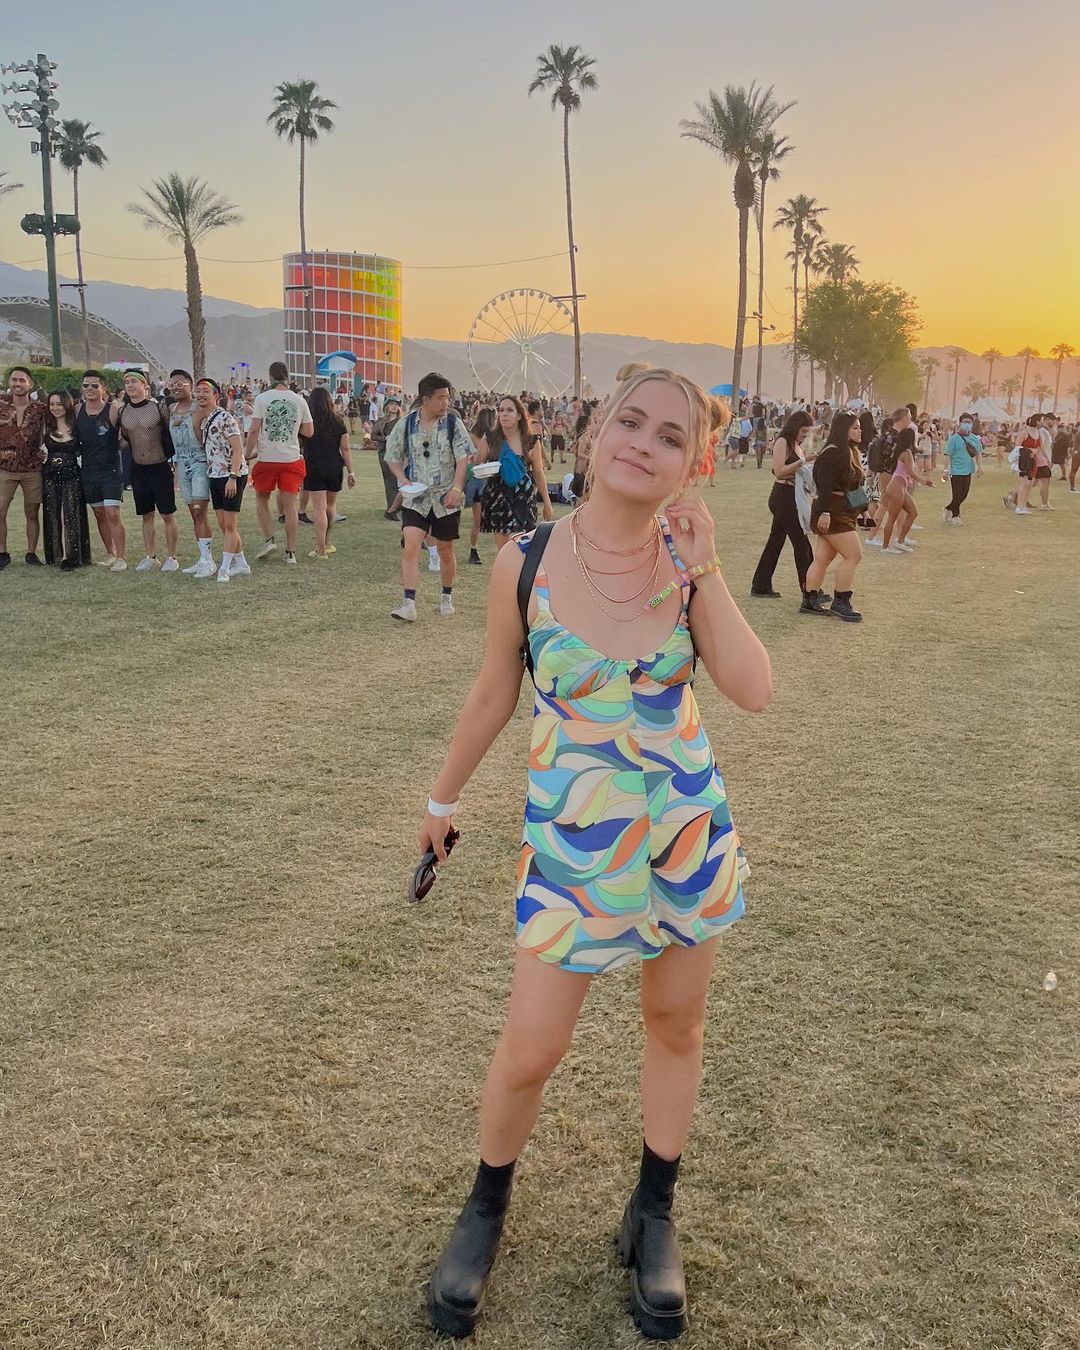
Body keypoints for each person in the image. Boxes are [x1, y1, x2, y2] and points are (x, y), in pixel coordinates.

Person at [420, 363, 771, 1341]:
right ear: (593, 432)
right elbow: (494, 691)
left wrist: (707, 569)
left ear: (694, 463)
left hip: (683, 833)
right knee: (532, 1047)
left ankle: (652, 1211)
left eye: (671, 436)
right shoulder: (525, 561)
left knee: (675, 1026)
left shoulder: (686, 565)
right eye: (631, 422)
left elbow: (753, 688)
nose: (644, 444)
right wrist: (441, 798)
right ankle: (486, 1206)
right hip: (574, 843)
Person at [384, 372, 471, 621]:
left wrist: (457, 488)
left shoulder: (453, 423)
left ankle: (446, 596)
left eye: (447, 397)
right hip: (417, 497)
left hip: (446, 498)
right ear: (426, 399)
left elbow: (463, 458)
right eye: (441, 398)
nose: (446, 403)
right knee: (411, 545)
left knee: (445, 549)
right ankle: (408, 603)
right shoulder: (406, 424)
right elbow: (392, 456)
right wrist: (403, 479)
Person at [800, 410, 867, 622]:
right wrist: (825, 512)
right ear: (843, 429)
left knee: (823, 558)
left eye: (859, 427)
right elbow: (825, 486)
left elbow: (854, 485)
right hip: (832, 511)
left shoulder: (849, 451)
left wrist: (863, 508)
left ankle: (810, 600)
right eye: (855, 428)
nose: (860, 431)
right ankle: (840, 602)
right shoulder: (833, 453)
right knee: (854, 555)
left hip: (842, 510)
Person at [247, 361, 313, 565]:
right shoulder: (299, 400)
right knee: (290, 504)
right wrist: (292, 427)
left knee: (261, 499)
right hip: (291, 459)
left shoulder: (262, 398)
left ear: (270, 377)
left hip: (267, 458)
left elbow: (254, 429)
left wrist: (248, 453)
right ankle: (290, 552)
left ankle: (269, 539)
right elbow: (309, 431)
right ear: (287, 376)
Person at [116, 369, 180, 572]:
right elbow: (124, 440)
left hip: (160, 467)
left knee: (167, 514)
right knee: (146, 515)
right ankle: (150, 556)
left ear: (144, 385)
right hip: (138, 469)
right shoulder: (123, 412)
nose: (130, 385)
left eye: (134, 381)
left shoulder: (159, 408)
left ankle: (172, 557)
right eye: (127, 382)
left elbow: (172, 432)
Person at [750, 410, 816, 599]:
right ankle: (810, 588)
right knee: (801, 542)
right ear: (795, 427)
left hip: (791, 495)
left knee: (776, 541)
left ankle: (761, 585)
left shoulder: (795, 445)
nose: (805, 435)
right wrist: (803, 461)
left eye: (807, 432)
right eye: (803, 431)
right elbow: (778, 470)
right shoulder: (782, 442)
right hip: (783, 496)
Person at [478, 396, 554, 550]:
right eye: (501, 410)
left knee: (521, 546)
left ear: (519, 415)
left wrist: (547, 502)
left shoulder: (531, 441)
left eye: (509, 410)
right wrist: (477, 465)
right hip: (498, 496)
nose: (504, 414)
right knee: (503, 548)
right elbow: (478, 465)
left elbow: (538, 473)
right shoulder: (490, 439)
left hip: (523, 497)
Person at [193, 378, 250, 583]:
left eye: (205, 391)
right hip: (214, 474)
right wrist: (196, 418)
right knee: (223, 524)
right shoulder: (205, 419)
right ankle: (241, 563)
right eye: (198, 391)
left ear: (216, 395)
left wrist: (233, 477)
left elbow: (238, 449)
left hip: (231, 475)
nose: (200, 395)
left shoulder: (226, 417)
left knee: (230, 524)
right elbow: (200, 441)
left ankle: (225, 568)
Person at [76, 370, 127, 570]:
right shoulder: (77, 410)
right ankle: (110, 553)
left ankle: (121, 557)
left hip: (111, 470)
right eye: (86, 385)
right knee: (99, 513)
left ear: (103, 388)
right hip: (89, 470)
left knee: (112, 513)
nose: (89, 389)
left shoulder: (113, 409)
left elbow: (126, 435)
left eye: (94, 385)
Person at [168, 369, 216, 577]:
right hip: (181, 463)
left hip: (199, 462)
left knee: (199, 511)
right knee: (192, 512)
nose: (176, 387)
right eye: (172, 384)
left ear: (190, 385)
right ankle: (203, 557)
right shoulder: (171, 409)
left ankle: (209, 561)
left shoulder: (201, 407)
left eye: (180, 384)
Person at [0, 365, 47, 568]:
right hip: (5, 468)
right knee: (0, 511)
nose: (17, 384)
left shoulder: (40, 409)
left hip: (32, 469)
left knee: (32, 513)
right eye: (14, 380)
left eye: (22, 380)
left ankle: (31, 553)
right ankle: (2, 552)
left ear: (30, 384)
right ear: (9, 382)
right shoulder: (1, 404)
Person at [301, 386, 355, 560]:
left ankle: (320, 550)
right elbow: (345, 449)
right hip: (334, 467)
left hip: (313, 467)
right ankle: (327, 543)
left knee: (319, 509)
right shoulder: (338, 421)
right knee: (330, 507)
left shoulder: (306, 422)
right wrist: (351, 472)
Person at [40, 390, 91, 570]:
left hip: (72, 475)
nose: (55, 408)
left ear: (67, 405)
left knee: (69, 514)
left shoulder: (77, 426)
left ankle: (71, 556)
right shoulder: (46, 425)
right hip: (50, 475)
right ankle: (56, 554)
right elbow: (38, 449)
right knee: (52, 513)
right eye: (52, 404)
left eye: (59, 404)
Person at [466, 406, 496, 565]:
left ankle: (474, 550)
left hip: (483, 478)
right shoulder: (486, 437)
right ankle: (473, 550)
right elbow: (480, 457)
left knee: (479, 518)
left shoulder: (488, 436)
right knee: (478, 519)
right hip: (479, 479)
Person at [941, 414, 983, 525]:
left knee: (964, 494)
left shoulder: (974, 439)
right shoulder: (954, 439)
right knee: (957, 494)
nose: (967, 424)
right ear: (960, 423)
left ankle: (949, 508)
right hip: (956, 471)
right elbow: (947, 455)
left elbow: (978, 453)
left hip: (968, 470)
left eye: (969, 422)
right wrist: (945, 471)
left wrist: (980, 467)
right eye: (965, 422)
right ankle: (956, 516)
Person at [373, 395, 404, 520]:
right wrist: (385, 438)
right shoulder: (381, 421)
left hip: (400, 454)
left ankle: (400, 506)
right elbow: (373, 435)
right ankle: (392, 508)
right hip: (385, 453)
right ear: (387, 407)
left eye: (396, 404)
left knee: (401, 481)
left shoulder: (402, 421)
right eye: (392, 404)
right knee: (390, 481)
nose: (394, 407)